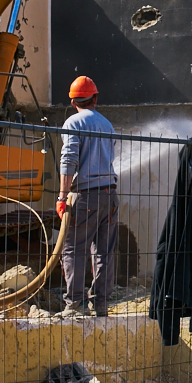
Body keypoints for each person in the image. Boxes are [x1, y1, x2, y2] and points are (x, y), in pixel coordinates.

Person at [56, 75, 119, 317]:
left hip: (86, 196)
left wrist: (63, 196)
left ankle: (75, 304)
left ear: (73, 102)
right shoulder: (107, 124)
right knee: (104, 251)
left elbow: (69, 159)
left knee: (73, 248)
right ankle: (101, 303)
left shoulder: (73, 123)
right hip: (110, 196)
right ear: (95, 98)